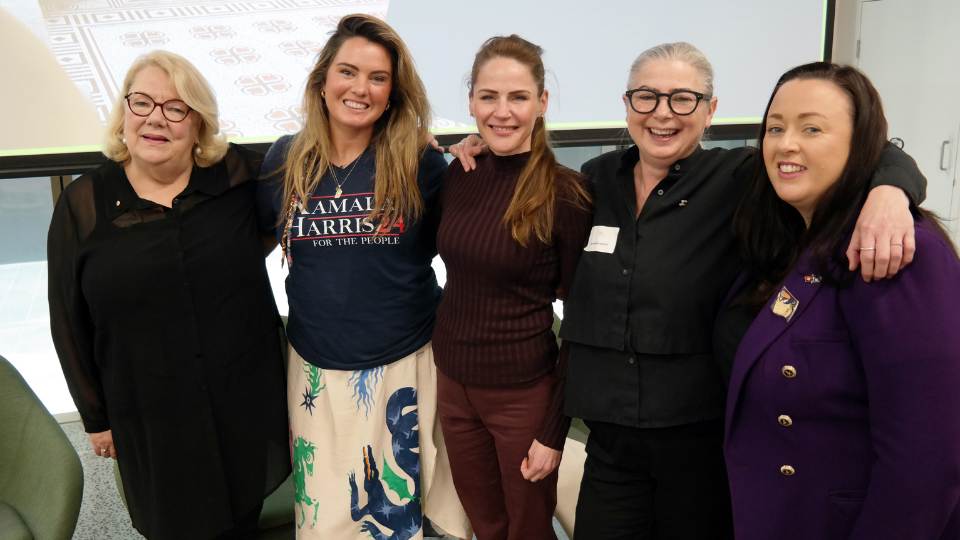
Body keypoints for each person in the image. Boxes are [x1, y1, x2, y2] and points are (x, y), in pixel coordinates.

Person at [450, 42, 927, 538]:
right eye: (646, 97)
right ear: (627, 103)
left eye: (682, 99)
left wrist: (891, 192)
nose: (662, 114)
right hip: (609, 441)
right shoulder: (595, 181)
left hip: (697, 443)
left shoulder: (740, 177)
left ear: (710, 110)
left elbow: (869, 156)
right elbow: (522, 183)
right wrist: (478, 146)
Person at [47, 50, 290, 540]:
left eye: (176, 107)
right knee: (172, 524)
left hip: (239, 398)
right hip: (149, 410)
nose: (156, 118)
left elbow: (325, 163)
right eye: (141, 103)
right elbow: (67, 317)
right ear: (123, 114)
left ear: (199, 125)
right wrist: (94, 417)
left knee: (242, 514)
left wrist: (410, 141)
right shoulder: (85, 203)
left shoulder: (240, 178)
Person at [719, 62, 960, 540]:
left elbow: (926, 455)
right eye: (775, 128)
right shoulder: (801, 241)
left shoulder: (894, 248)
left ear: (862, 146)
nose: (786, 144)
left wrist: (891, 187)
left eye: (812, 128)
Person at [256, 14, 469, 540]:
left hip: (404, 365)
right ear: (322, 80)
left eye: (378, 78)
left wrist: (482, 159)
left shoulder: (419, 161)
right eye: (348, 71)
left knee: (403, 516)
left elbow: (468, 244)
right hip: (316, 371)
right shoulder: (285, 160)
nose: (360, 88)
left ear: (393, 93)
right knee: (328, 519)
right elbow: (257, 241)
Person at [432, 35, 592, 540]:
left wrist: (553, 431)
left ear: (542, 104)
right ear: (471, 101)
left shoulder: (566, 194)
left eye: (518, 98)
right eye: (488, 97)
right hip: (453, 387)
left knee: (526, 529)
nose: (502, 112)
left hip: (523, 396)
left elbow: (583, 322)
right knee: (484, 525)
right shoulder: (460, 173)